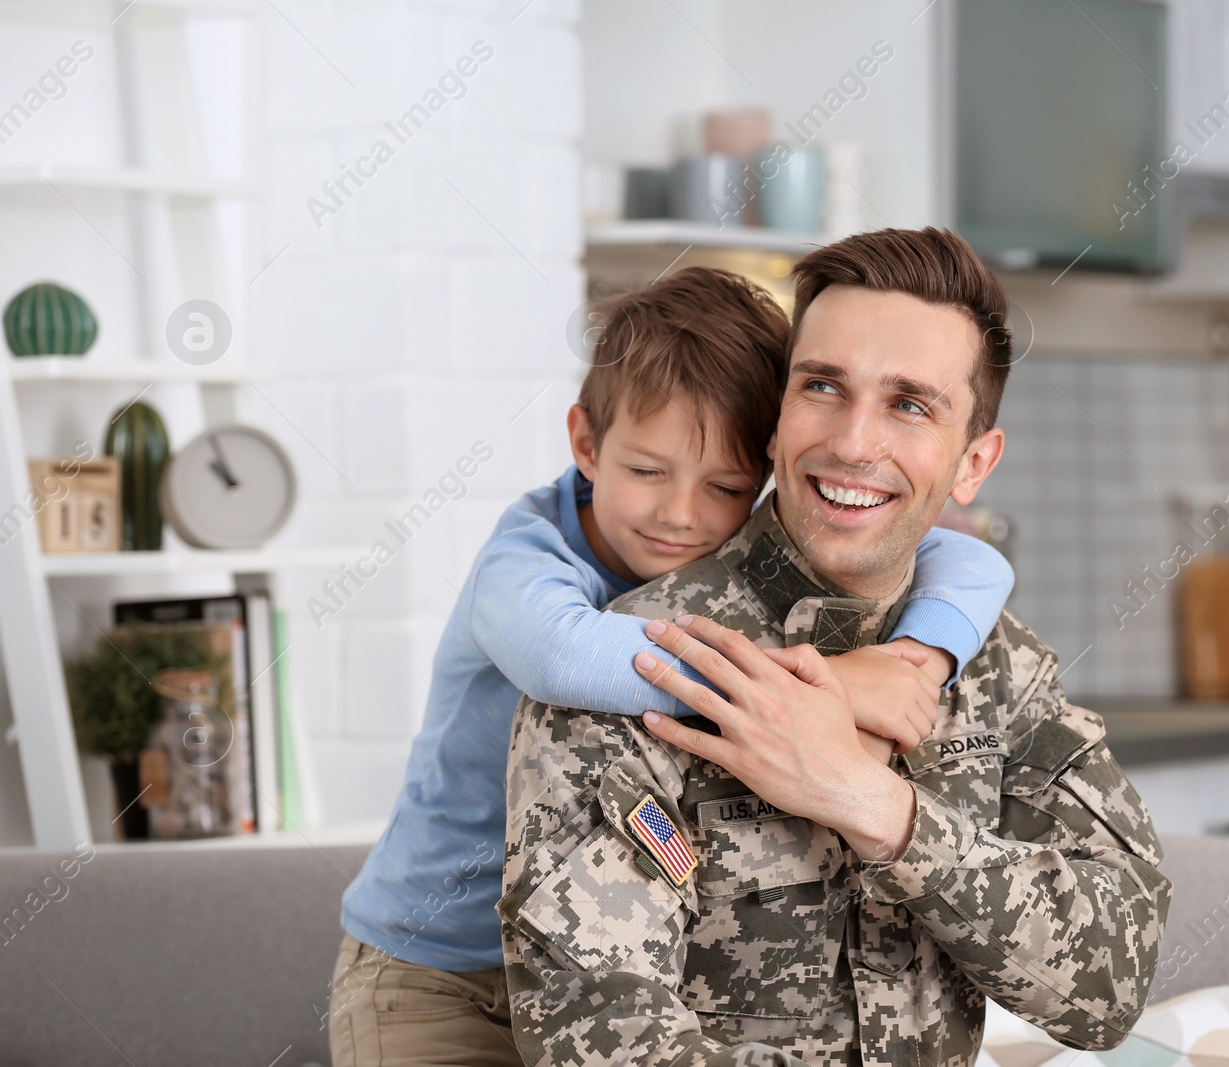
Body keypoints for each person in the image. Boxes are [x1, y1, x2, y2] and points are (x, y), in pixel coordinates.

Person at [500, 228, 1171, 1066]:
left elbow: (1111, 986)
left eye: (910, 404)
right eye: (823, 386)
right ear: (776, 422)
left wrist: (874, 805)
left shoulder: (998, 666)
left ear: (972, 464)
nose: (854, 442)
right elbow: (599, 1040)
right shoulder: (636, 666)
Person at [330, 266, 1016, 1065]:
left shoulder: (733, 554)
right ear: (586, 442)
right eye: (647, 471)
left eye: (724, 486)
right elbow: (566, 657)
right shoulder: (526, 563)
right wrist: (821, 684)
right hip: (440, 969)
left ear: (765, 469)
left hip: (600, 967)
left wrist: (915, 660)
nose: (680, 514)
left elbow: (972, 564)